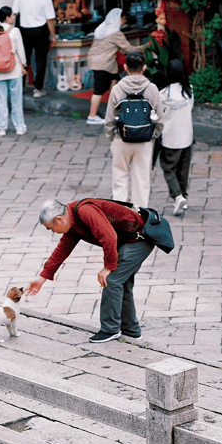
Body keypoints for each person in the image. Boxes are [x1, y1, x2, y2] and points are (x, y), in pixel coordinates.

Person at [25, 198, 154, 343]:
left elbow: (109, 236)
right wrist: (42, 277)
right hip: (127, 241)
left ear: (59, 219)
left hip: (140, 239)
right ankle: (131, 331)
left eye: (50, 228)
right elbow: (62, 250)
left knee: (111, 280)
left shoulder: (84, 211)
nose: (52, 232)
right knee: (122, 283)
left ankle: (110, 330)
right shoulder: (72, 223)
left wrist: (108, 267)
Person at [104, 51, 164, 209]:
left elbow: (109, 118)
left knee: (119, 178)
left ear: (125, 67)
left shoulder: (118, 89)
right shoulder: (151, 88)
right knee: (142, 180)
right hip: (144, 140)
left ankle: (120, 215)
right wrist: (152, 135)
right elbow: (160, 118)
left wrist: (113, 137)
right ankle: (140, 215)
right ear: (144, 68)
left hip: (121, 138)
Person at [86, 8, 146, 125]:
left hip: (99, 61)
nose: (124, 21)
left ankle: (113, 111)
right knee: (99, 90)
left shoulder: (102, 28)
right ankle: (92, 116)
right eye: (123, 18)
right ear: (116, 19)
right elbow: (128, 49)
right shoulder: (115, 33)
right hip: (104, 63)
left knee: (115, 83)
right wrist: (145, 46)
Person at [156, 59, 194, 216]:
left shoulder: (163, 94)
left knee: (168, 168)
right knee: (183, 170)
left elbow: (157, 115)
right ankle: (183, 197)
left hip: (170, 137)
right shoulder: (189, 91)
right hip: (186, 136)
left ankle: (177, 196)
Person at [11, 0, 56, 98]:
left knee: (23, 60)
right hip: (41, 31)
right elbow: (50, 20)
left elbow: (14, 13)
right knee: (40, 60)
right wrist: (53, 36)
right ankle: (38, 89)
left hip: (24, 31)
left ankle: (20, 88)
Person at [0, 6, 27, 136]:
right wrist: (23, 64)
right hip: (13, 69)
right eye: (12, 15)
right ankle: (19, 127)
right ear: (7, 17)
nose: (14, 17)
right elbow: (20, 51)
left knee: (1, 100)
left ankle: (2, 127)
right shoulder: (15, 31)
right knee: (16, 99)